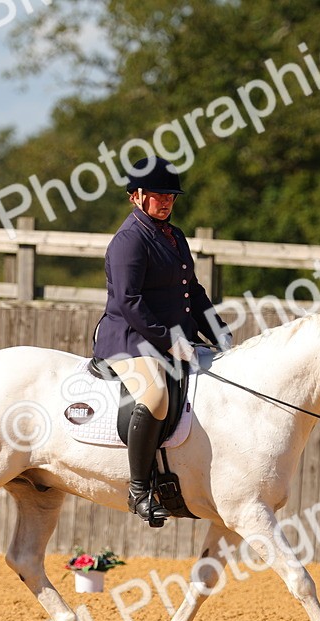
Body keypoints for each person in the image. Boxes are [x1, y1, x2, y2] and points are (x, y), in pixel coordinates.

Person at [92, 157, 232, 526]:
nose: (166, 201)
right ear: (135, 196)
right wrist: (170, 341)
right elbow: (130, 301)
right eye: (158, 194)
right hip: (129, 341)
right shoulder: (129, 241)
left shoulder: (175, 236)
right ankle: (139, 490)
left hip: (172, 339)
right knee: (155, 396)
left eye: (170, 195)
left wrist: (217, 330)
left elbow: (192, 291)